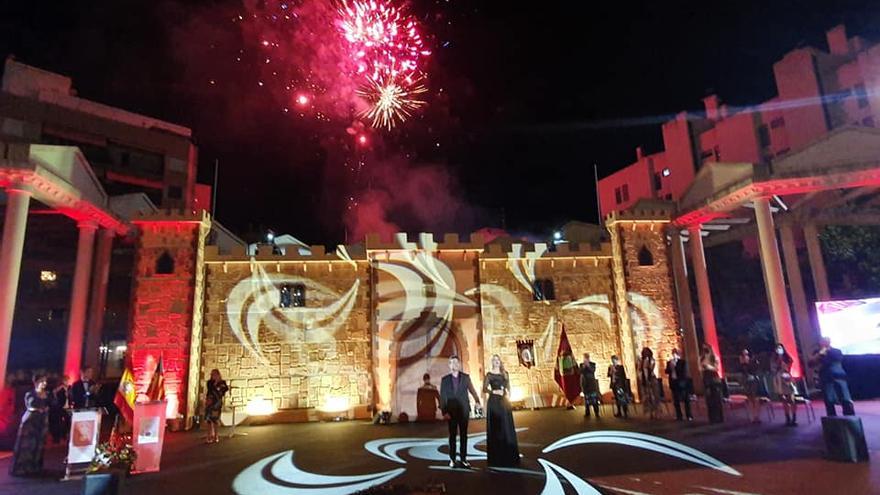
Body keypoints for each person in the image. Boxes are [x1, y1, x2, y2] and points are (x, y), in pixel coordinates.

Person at [439, 355, 481, 468]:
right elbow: (442, 397)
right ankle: (452, 459)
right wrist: (444, 412)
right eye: (452, 363)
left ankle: (463, 459)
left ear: (459, 364)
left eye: (456, 363)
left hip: (463, 411)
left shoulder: (465, 377)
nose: (455, 365)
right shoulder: (445, 380)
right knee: (452, 436)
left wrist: (477, 401)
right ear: (449, 365)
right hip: (451, 412)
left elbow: (472, 390)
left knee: (464, 436)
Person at [10, 374, 51, 476]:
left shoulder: (47, 393)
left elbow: (52, 404)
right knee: (27, 444)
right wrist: (39, 409)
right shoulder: (30, 393)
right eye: (42, 381)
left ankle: (35, 466)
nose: (44, 383)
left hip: (42, 420)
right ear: (36, 382)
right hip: (31, 420)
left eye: (45, 381)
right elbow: (30, 405)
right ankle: (22, 468)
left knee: (39, 443)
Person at [483, 354, 520, 467]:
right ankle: (496, 457)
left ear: (500, 361)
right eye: (494, 360)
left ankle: (509, 456)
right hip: (493, 403)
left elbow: (508, 387)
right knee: (496, 428)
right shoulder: (489, 375)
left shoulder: (505, 374)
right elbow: (484, 389)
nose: (496, 362)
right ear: (492, 363)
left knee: (506, 428)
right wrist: (493, 392)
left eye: (498, 360)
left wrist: (507, 392)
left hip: (504, 403)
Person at [809, 337, 855, 417]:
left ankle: (850, 418)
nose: (823, 343)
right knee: (829, 400)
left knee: (845, 398)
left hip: (838, 377)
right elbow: (810, 363)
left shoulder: (836, 351)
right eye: (822, 341)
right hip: (825, 378)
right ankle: (832, 420)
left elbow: (834, 361)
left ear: (829, 342)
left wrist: (823, 356)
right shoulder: (817, 352)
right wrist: (820, 354)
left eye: (826, 341)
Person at [771, 343, 798, 426]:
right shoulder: (773, 359)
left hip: (788, 378)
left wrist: (785, 364)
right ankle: (787, 418)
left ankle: (794, 418)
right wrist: (779, 361)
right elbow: (773, 369)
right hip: (779, 379)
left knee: (792, 399)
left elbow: (790, 365)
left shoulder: (787, 358)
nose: (779, 349)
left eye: (780, 348)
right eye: (777, 348)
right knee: (784, 400)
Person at [665, 349, 693, 421]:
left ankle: (688, 415)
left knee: (686, 399)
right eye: (673, 353)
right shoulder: (669, 362)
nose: (674, 355)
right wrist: (670, 367)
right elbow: (666, 371)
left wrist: (675, 367)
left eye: (675, 353)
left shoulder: (682, 362)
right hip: (673, 382)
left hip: (681, 382)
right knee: (676, 400)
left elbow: (684, 372)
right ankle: (679, 415)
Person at [700, 344, 724, 423]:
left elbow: (716, 368)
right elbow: (700, 368)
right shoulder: (701, 358)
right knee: (709, 399)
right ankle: (712, 418)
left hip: (714, 378)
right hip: (706, 378)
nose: (705, 350)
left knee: (717, 398)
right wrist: (703, 367)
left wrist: (708, 366)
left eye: (706, 348)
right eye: (703, 349)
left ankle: (720, 417)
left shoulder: (714, 357)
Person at [204, 369, 229, 443]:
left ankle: (216, 436)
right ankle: (209, 436)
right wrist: (215, 384)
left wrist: (219, 386)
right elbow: (210, 389)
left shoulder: (222, 382)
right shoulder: (209, 382)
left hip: (217, 403)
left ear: (218, 375)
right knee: (209, 420)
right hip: (210, 402)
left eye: (214, 374)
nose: (213, 376)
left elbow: (225, 389)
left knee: (215, 420)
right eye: (212, 374)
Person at [738, 349, 763, 423]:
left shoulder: (753, 362)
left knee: (756, 398)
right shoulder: (742, 365)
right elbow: (742, 372)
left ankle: (757, 416)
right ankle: (752, 416)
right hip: (747, 382)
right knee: (750, 398)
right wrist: (742, 363)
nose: (745, 356)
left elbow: (756, 369)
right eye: (744, 355)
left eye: (747, 354)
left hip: (754, 381)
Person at [638, 347, 661, 420]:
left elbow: (651, 368)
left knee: (654, 396)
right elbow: (639, 370)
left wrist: (647, 363)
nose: (645, 354)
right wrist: (641, 377)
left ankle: (656, 412)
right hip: (644, 380)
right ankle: (650, 412)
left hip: (651, 379)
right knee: (647, 397)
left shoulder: (652, 360)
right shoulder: (641, 361)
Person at [48, 375, 70, 444]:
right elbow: (55, 395)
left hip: (67, 408)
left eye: (67, 380)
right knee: (58, 423)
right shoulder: (59, 388)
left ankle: (65, 435)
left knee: (68, 422)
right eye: (66, 380)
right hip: (60, 408)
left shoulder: (69, 388)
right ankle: (57, 438)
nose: (67, 382)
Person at [579, 353, 600, 418]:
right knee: (587, 399)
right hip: (585, 384)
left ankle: (596, 412)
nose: (585, 359)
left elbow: (592, 371)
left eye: (586, 358)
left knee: (594, 399)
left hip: (592, 384)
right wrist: (584, 367)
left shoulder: (592, 364)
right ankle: (587, 412)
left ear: (589, 358)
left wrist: (588, 365)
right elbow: (580, 372)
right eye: (584, 358)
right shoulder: (581, 365)